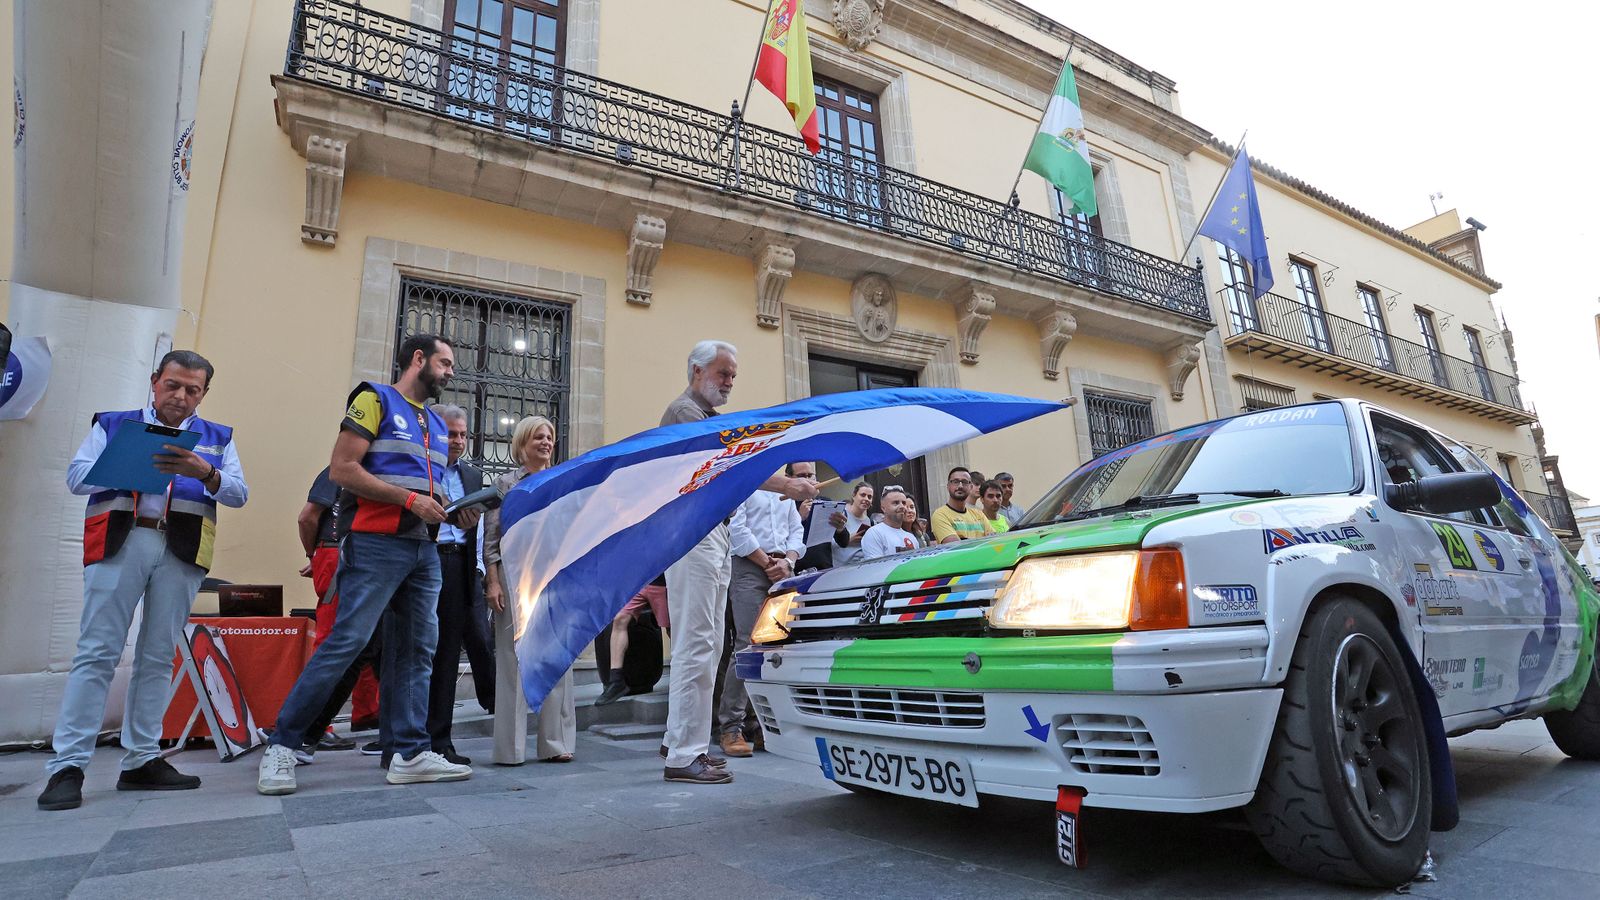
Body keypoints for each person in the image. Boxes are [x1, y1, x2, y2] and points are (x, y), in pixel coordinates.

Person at [258, 334, 470, 795]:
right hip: (375, 544)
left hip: (423, 549)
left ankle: (410, 753)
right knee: (346, 643)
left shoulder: (433, 422)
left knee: (418, 650)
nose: (452, 371)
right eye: (446, 362)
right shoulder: (374, 399)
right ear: (419, 359)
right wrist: (412, 500)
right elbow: (343, 469)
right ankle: (282, 744)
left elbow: (424, 488)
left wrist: (456, 509)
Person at [39, 351, 249, 811]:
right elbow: (76, 477)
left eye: (193, 389)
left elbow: (239, 493)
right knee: (97, 652)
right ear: (155, 382)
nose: (181, 396)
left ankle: (141, 759)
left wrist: (206, 472)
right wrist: (124, 465)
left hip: (182, 550)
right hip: (121, 542)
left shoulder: (217, 438)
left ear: (204, 394)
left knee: (158, 656)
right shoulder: (114, 425)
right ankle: (68, 766)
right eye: (173, 385)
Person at [658, 340, 818, 785]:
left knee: (707, 645)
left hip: (712, 534)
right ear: (696, 370)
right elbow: (721, 468)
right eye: (722, 373)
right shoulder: (685, 413)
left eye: (733, 375)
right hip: (694, 534)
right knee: (698, 644)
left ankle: (683, 744)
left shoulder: (708, 418)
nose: (729, 382)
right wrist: (785, 485)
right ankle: (683, 755)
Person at [481, 415, 577, 764]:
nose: (546, 442)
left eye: (549, 436)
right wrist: (492, 581)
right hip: (514, 575)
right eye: (538, 436)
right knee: (512, 658)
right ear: (522, 443)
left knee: (557, 657)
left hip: (555, 577)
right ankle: (510, 749)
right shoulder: (505, 485)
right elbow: (492, 540)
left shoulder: (563, 481)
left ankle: (555, 743)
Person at [716, 463, 806, 757]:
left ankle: (761, 725)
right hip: (749, 568)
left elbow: (796, 531)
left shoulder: (785, 490)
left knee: (775, 646)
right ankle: (730, 727)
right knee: (748, 644)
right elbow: (737, 530)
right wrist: (767, 562)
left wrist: (788, 561)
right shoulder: (746, 481)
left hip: (783, 570)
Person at [425, 404, 492, 765]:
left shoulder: (471, 475)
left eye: (464, 434)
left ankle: (441, 741)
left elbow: (476, 528)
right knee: (419, 653)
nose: (459, 441)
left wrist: (478, 568)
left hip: (458, 564)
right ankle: (406, 738)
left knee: (449, 655)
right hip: (425, 561)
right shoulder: (421, 469)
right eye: (452, 434)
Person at [595, 578, 669, 706]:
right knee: (620, 619)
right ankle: (616, 680)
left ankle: (687, 674)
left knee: (672, 629)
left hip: (662, 584)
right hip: (639, 583)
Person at [929, 466, 993, 544]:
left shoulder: (979, 514)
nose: (960, 486)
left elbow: (993, 542)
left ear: (971, 487)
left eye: (964, 482)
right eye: (955, 482)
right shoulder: (940, 515)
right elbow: (956, 547)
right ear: (948, 486)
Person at [861, 487, 919, 560]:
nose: (902, 506)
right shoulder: (874, 533)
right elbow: (876, 568)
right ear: (883, 508)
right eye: (896, 503)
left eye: (903, 503)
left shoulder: (912, 538)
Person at [828, 481, 875, 567]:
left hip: (861, 566)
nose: (866, 499)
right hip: (841, 568)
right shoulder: (841, 515)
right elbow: (828, 545)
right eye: (862, 495)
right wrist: (848, 539)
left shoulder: (868, 520)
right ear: (854, 495)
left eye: (869, 497)